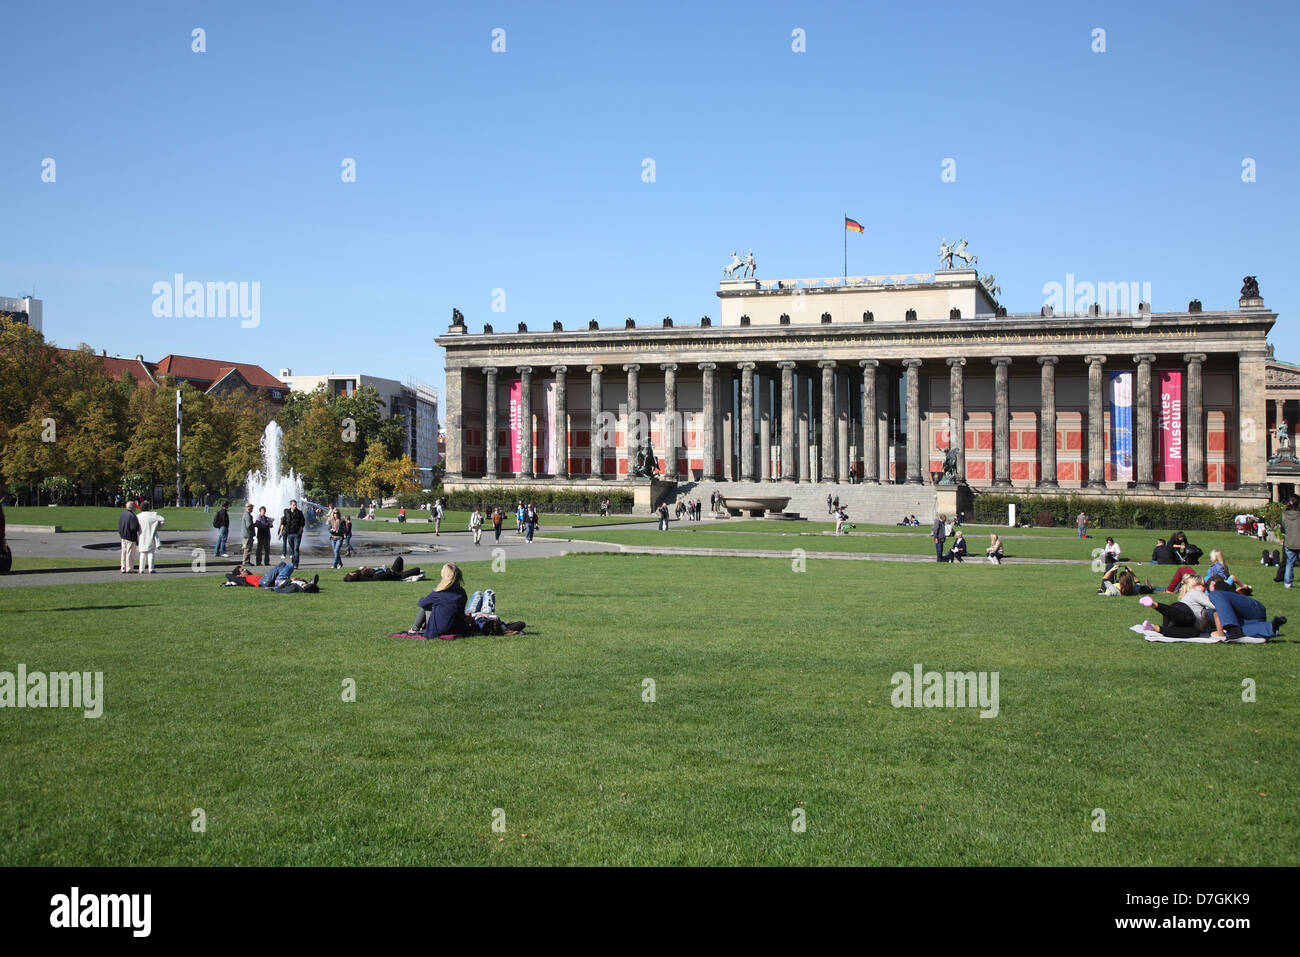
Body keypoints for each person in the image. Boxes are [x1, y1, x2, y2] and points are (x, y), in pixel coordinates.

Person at [1206, 577, 1285, 639]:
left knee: (1215, 595)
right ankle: (1271, 626)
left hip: (1251, 608)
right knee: (1240, 630)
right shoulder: (1228, 596)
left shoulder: (1219, 586)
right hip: (1248, 618)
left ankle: (1233, 629)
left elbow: (1218, 608)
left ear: (1213, 584)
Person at [1138, 575, 1216, 637]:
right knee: (1188, 618)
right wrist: (1215, 593)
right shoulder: (1195, 592)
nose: (1206, 588)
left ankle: (1154, 627)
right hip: (1183, 613)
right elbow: (1214, 605)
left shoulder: (1188, 596)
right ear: (1196, 586)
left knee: (1194, 632)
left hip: (1174, 618)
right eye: (1204, 585)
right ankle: (1155, 604)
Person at [408, 563, 471, 638]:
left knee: (426, 606)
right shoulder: (461, 592)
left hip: (440, 629)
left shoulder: (439, 593)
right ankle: (416, 628)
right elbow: (460, 611)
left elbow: (422, 604)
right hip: (456, 627)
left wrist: (422, 599)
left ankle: (414, 629)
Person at [137, 501, 165, 574]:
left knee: (142, 553)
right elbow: (162, 520)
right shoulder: (153, 515)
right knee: (151, 552)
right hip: (151, 535)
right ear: (149, 507)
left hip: (142, 535)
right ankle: (151, 568)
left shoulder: (138, 516)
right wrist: (157, 527)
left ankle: (141, 569)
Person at [1282, 495, 1300, 589]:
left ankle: (1288, 583)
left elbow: (1284, 527)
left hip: (1289, 541)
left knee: (1290, 563)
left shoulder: (1285, 514)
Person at [118, 501, 141, 573]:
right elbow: (134, 528)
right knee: (130, 553)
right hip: (130, 537)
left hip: (123, 536)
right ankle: (129, 568)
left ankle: (123, 567)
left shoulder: (122, 514)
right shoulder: (132, 516)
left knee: (123, 552)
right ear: (133, 507)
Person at [284, 499, 305, 566]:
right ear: (290, 505)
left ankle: (296, 563)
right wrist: (282, 530)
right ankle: (293, 562)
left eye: (295, 505)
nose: (295, 506)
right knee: (291, 549)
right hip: (289, 533)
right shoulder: (287, 512)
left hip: (297, 533)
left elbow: (303, 522)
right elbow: (284, 521)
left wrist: (300, 530)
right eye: (293, 505)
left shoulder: (299, 512)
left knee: (296, 549)